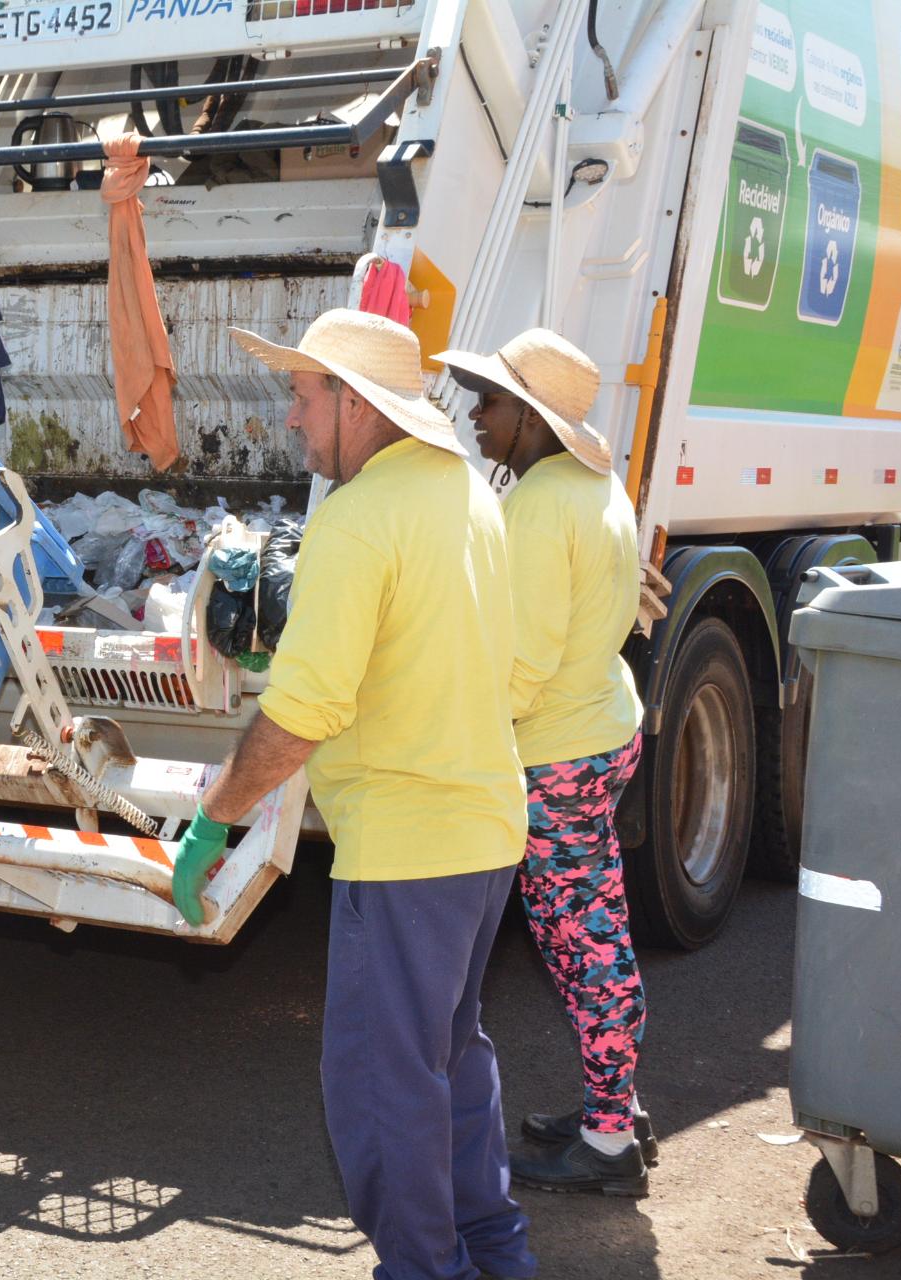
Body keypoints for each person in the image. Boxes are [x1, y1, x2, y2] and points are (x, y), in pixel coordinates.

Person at [172, 309, 536, 1280]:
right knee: (451, 1065)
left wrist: (213, 819)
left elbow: (299, 715)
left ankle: (426, 1269)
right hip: (486, 830)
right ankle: (496, 1253)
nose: (291, 418)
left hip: (406, 848)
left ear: (353, 400)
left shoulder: (355, 518)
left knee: (380, 1091)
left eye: (302, 394)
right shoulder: (468, 493)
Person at [436, 330, 656, 1197]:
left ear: (529, 415)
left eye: (488, 403)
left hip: (556, 756)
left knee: (583, 941)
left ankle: (607, 1143)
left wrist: (453, 731)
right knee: (592, 928)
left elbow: (519, 670)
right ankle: (616, 1107)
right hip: (601, 730)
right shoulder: (595, 485)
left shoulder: (535, 509)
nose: (474, 416)